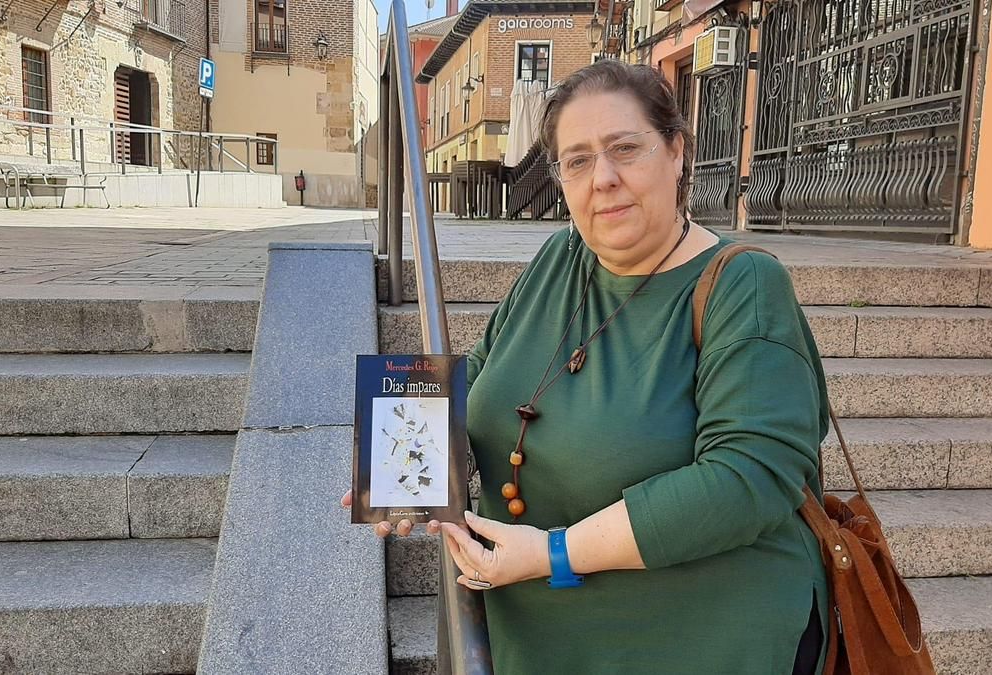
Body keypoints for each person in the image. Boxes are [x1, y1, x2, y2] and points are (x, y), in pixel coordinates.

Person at [346, 59, 829, 674]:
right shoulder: (561, 256)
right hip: (536, 637)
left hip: (694, 641)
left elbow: (748, 479)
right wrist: (405, 462)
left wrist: (555, 553)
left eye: (625, 148)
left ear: (676, 151)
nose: (603, 178)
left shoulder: (745, 285)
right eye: (577, 160)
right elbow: (487, 376)